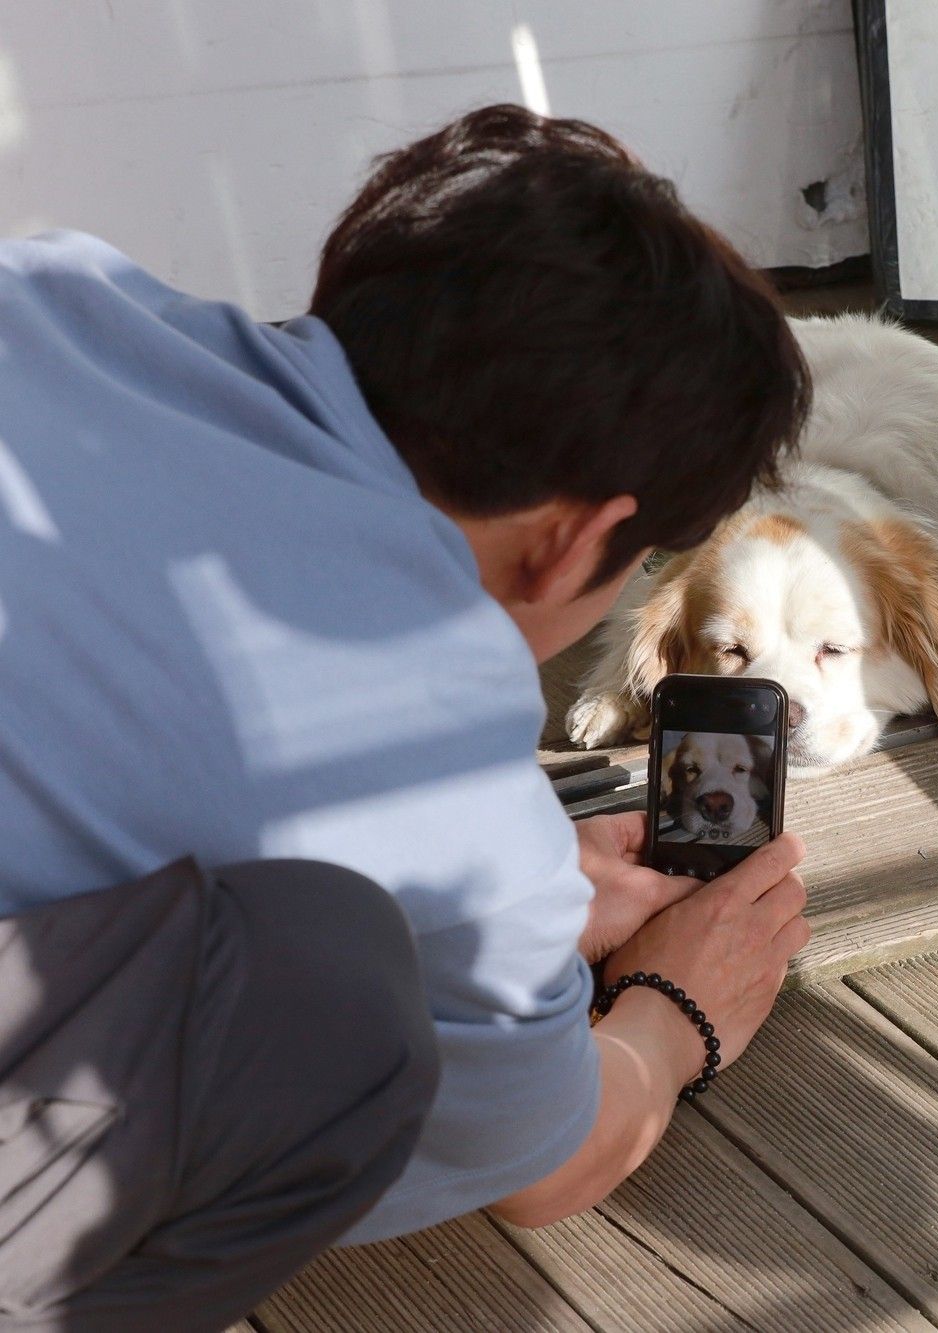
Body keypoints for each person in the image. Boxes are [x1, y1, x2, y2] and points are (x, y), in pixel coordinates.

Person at [0, 104, 811, 1332]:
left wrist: (505, 892)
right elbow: (552, 1164)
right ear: (578, 539)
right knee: (333, 1004)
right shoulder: (430, 738)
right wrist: (673, 1014)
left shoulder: (53, 288)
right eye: (643, 558)